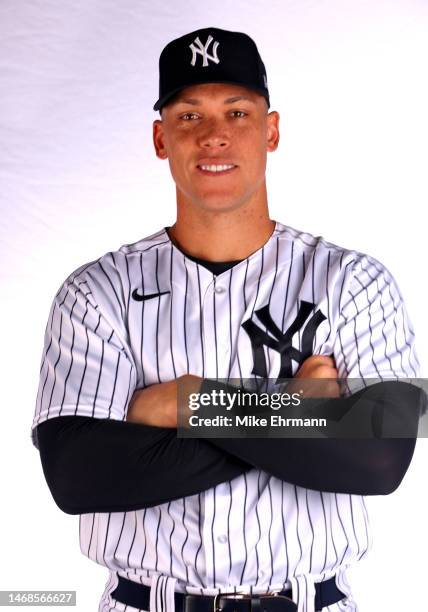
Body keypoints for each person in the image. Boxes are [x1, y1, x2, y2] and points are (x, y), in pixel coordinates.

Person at [31, 27, 422, 612]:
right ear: (161, 139)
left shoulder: (354, 282)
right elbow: (79, 477)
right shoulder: (97, 293)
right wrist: (293, 411)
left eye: (237, 112)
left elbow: (378, 461)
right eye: (189, 115)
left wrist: (185, 403)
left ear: (271, 131)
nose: (214, 135)